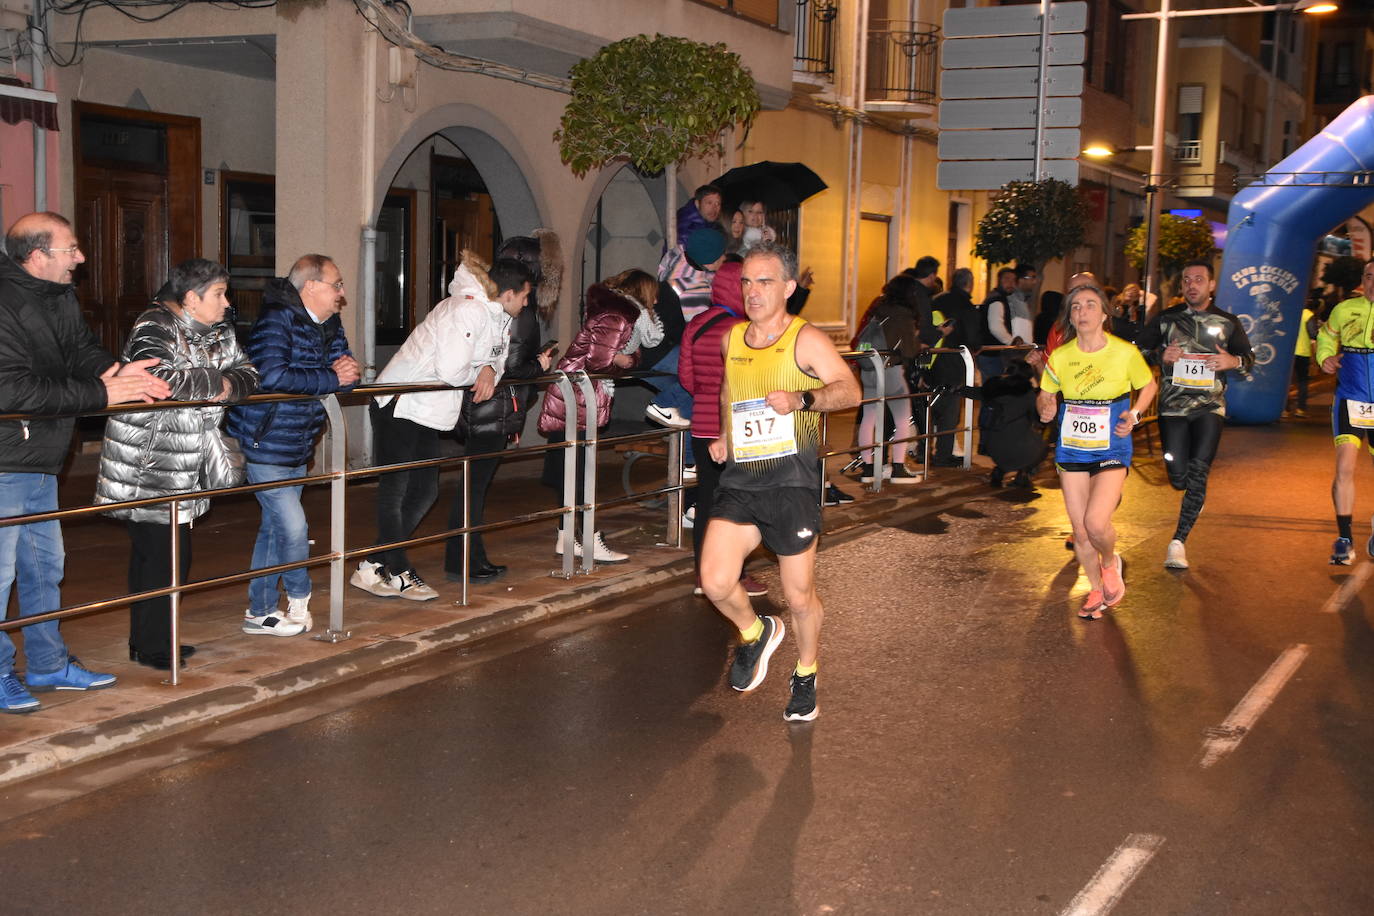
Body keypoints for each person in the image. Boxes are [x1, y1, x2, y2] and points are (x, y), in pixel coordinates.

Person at [0, 212, 168, 710]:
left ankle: (49, 664)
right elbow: (10, 389)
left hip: (41, 456)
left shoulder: (57, 295)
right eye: (70, 249)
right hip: (6, 456)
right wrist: (101, 392)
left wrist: (117, 370)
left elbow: (78, 350)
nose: (81, 258)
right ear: (37, 256)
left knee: (45, 569)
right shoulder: (4, 302)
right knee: (1, 574)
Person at [700, 242, 861, 722]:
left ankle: (806, 670)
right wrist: (726, 434)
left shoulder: (805, 339)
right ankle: (756, 633)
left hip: (791, 482)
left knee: (798, 595)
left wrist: (802, 400)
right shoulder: (732, 338)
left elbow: (850, 389)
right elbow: (729, 390)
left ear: (789, 287)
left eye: (764, 281)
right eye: (746, 281)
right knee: (713, 580)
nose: (752, 291)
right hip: (741, 478)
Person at [95, 259, 260, 667]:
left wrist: (227, 383)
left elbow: (249, 373)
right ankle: (152, 646)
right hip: (148, 461)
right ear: (191, 298)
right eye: (219, 294)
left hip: (186, 462)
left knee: (165, 554)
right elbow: (161, 380)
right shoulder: (154, 325)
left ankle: (152, 640)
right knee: (163, 555)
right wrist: (218, 382)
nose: (227, 303)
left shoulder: (219, 330)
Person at [352, 253, 533, 599]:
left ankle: (372, 564)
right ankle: (400, 570)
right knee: (396, 491)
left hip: (428, 409)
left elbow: (496, 359)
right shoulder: (467, 310)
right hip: (400, 404)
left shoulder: (497, 317)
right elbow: (452, 371)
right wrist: (483, 369)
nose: (527, 303)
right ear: (508, 293)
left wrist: (490, 370)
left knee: (424, 491)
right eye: (525, 296)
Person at [227, 254, 359, 633]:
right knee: (294, 527)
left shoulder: (329, 323)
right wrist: (330, 378)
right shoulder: (276, 320)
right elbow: (270, 376)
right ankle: (299, 597)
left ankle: (260, 610)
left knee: (275, 529)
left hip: (298, 443)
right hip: (264, 440)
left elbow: (346, 371)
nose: (342, 293)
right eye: (336, 284)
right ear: (311, 286)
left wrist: (338, 376)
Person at [446, 232, 561, 584]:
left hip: (486, 408)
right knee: (474, 488)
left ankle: (470, 556)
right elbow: (506, 367)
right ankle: (463, 559)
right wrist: (539, 368)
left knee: (474, 487)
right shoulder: (513, 313)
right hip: (490, 410)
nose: (529, 299)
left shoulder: (501, 306)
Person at [1037, 283, 1157, 619]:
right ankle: (1095, 590)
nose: (1082, 312)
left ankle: (1109, 561)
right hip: (1072, 450)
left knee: (1095, 523)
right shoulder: (1061, 357)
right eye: (1075, 307)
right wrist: (1045, 404)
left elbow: (1148, 386)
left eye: (1090, 305)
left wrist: (1134, 415)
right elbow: (1045, 393)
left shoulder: (1123, 353)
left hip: (1111, 446)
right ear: (1070, 317)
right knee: (1079, 533)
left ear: (1105, 313)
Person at [1137, 259, 1253, 570]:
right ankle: (1192, 494)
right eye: (1187, 280)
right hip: (1172, 408)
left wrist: (1233, 362)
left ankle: (1178, 542)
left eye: (1198, 279)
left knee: (1199, 471)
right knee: (1178, 479)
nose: (1191, 284)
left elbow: (1249, 358)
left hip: (1209, 408)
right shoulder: (1166, 319)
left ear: (1211, 285)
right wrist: (1161, 355)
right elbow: (1138, 351)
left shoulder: (1228, 322)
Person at [537, 268, 645, 563]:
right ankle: (588, 538)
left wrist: (627, 359)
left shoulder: (611, 312)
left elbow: (606, 355)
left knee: (573, 471)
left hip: (576, 398)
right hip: (578, 400)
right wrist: (625, 361)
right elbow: (601, 361)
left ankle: (566, 537)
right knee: (580, 472)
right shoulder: (617, 315)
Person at [678, 258, 767, 597]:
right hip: (736, 427)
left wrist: (704, 396)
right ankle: (735, 575)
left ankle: (704, 575)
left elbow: (687, 378)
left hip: (702, 425)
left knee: (707, 498)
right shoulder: (745, 329)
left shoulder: (697, 323)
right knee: (738, 502)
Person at [1316, 257, 1374, 565]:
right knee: (1344, 468)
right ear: (1363, 279)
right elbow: (1326, 335)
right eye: (1369, 276)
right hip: (1350, 399)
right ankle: (1344, 539)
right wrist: (1325, 357)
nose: (1373, 282)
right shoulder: (1344, 309)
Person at [643, 227, 726, 431]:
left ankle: (689, 462)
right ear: (709, 260)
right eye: (721, 253)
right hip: (660, 349)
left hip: (646, 341)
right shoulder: (695, 287)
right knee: (710, 375)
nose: (724, 257)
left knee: (692, 399)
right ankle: (662, 403)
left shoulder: (674, 255)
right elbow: (697, 331)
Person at [853, 274, 922, 484]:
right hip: (890, 369)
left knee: (869, 417)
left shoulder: (879, 307)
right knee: (902, 418)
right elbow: (909, 350)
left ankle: (868, 469)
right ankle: (898, 468)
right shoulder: (904, 314)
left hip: (869, 368)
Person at [962, 360, 1045, 488]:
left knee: (1008, 440)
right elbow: (1039, 420)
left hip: (993, 448)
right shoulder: (1027, 394)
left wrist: (956, 389)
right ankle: (1023, 474)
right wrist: (1035, 387)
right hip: (1020, 449)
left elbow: (972, 392)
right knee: (1042, 445)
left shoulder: (992, 388)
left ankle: (1000, 471)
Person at [929, 267, 981, 467]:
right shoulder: (967, 307)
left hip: (932, 360)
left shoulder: (938, 300)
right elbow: (973, 338)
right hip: (955, 362)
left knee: (930, 408)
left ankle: (923, 451)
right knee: (950, 411)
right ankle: (942, 455)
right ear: (969, 283)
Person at [989, 264, 1037, 348]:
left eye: (1013, 279)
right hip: (1005, 351)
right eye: (1006, 279)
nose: (1010, 283)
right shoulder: (1001, 300)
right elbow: (996, 327)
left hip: (1020, 349)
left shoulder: (1023, 300)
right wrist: (1012, 342)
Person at [1286, 299, 1317, 418]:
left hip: (1288, 352)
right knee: (1302, 382)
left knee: (1287, 382)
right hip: (1303, 352)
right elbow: (1313, 333)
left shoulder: (1291, 312)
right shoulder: (1308, 315)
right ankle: (1300, 409)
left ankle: (1285, 409)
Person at [676, 184, 724, 249]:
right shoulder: (686, 223)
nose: (714, 208)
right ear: (697, 203)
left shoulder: (710, 223)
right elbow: (679, 252)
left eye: (718, 204)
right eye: (709, 203)